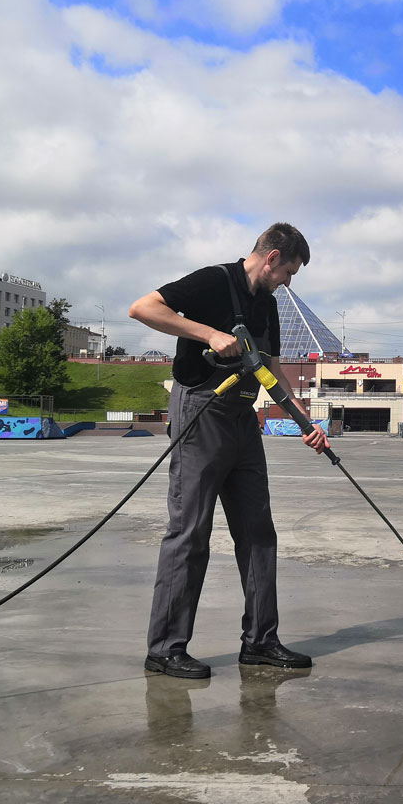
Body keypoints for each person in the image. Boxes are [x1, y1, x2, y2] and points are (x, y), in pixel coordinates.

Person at [128, 223, 328, 680]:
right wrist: (208, 334)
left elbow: (273, 373)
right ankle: (165, 649)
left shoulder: (269, 307)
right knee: (190, 531)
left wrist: (304, 422)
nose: (289, 282)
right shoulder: (214, 281)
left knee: (259, 530)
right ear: (272, 257)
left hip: (242, 419)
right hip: (201, 411)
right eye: (289, 272)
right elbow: (142, 308)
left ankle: (260, 641)